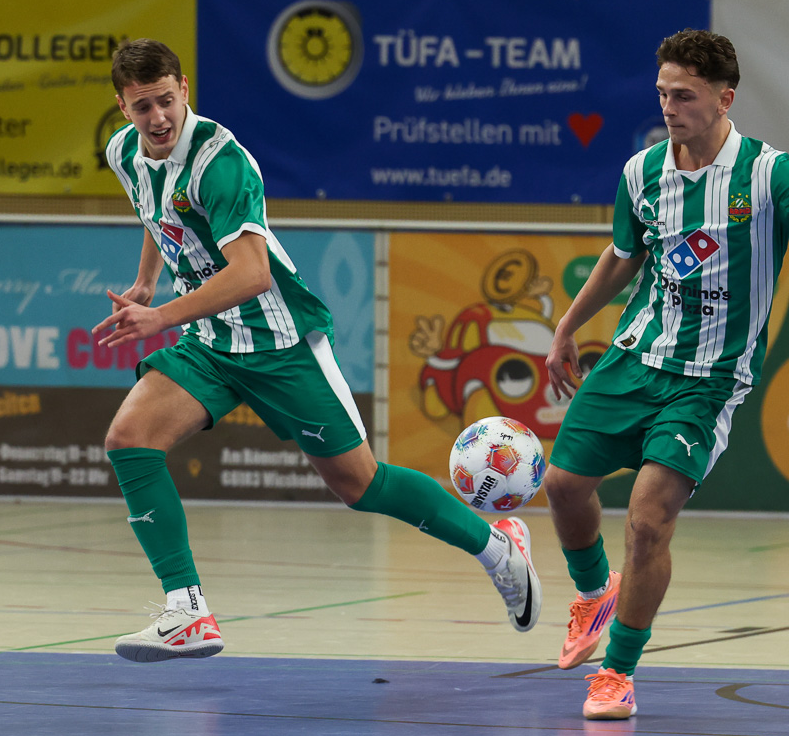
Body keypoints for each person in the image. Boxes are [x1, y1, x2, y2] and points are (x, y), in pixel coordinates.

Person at [97, 38, 540, 662]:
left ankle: (498, 549)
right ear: (123, 107)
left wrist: (160, 315)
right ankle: (187, 610)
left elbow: (252, 274)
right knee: (129, 439)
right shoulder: (124, 151)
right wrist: (147, 281)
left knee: (360, 485)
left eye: (166, 101)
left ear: (185, 89)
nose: (158, 118)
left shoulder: (221, 162)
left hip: (280, 341)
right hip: (212, 340)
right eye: (143, 107)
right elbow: (157, 212)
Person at [541, 28, 789, 719]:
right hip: (635, 356)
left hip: (709, 379)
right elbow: (623, 256)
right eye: (663, 93)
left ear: (725, 99)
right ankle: (594, 592)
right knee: (562, 485)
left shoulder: (767, 173)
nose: (669, 106)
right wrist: (568, 325)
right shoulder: (642, 172)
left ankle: (617, 673)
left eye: (685, 96)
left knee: (648, 522)